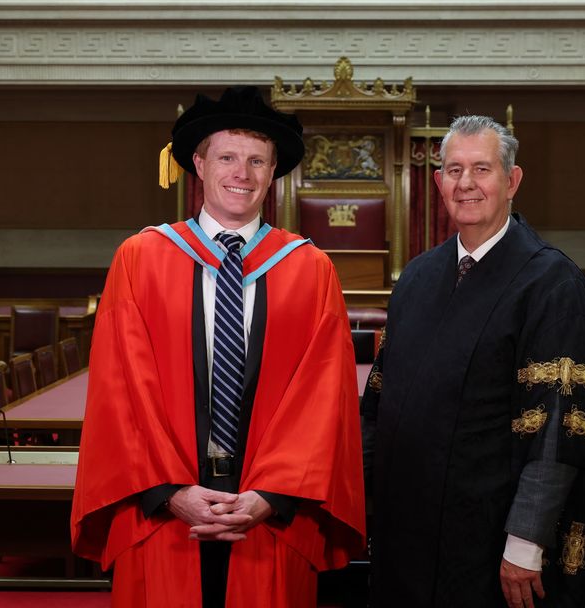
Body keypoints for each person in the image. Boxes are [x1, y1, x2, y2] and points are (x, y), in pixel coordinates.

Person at [71, 86, 365, 608]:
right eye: (227, 157)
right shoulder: (140, 259)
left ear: (273, 173)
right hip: (162, 509)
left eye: (257, 160)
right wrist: (171, 493)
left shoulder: (309, 268)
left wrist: (269, 496)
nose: (242, 173)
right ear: (199, 164)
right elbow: (120, 391)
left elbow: (323, 397)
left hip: (269, 512)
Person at [361, 115, 585, 608]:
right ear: (438, 183)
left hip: (491, 537)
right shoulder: (417, 277)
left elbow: (558, 427)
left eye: (481, 169)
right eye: (453, 170)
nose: (466, 184)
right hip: (407, 527)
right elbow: (381, 406)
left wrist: (526, 542)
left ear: (512, 181)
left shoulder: (551, 284)